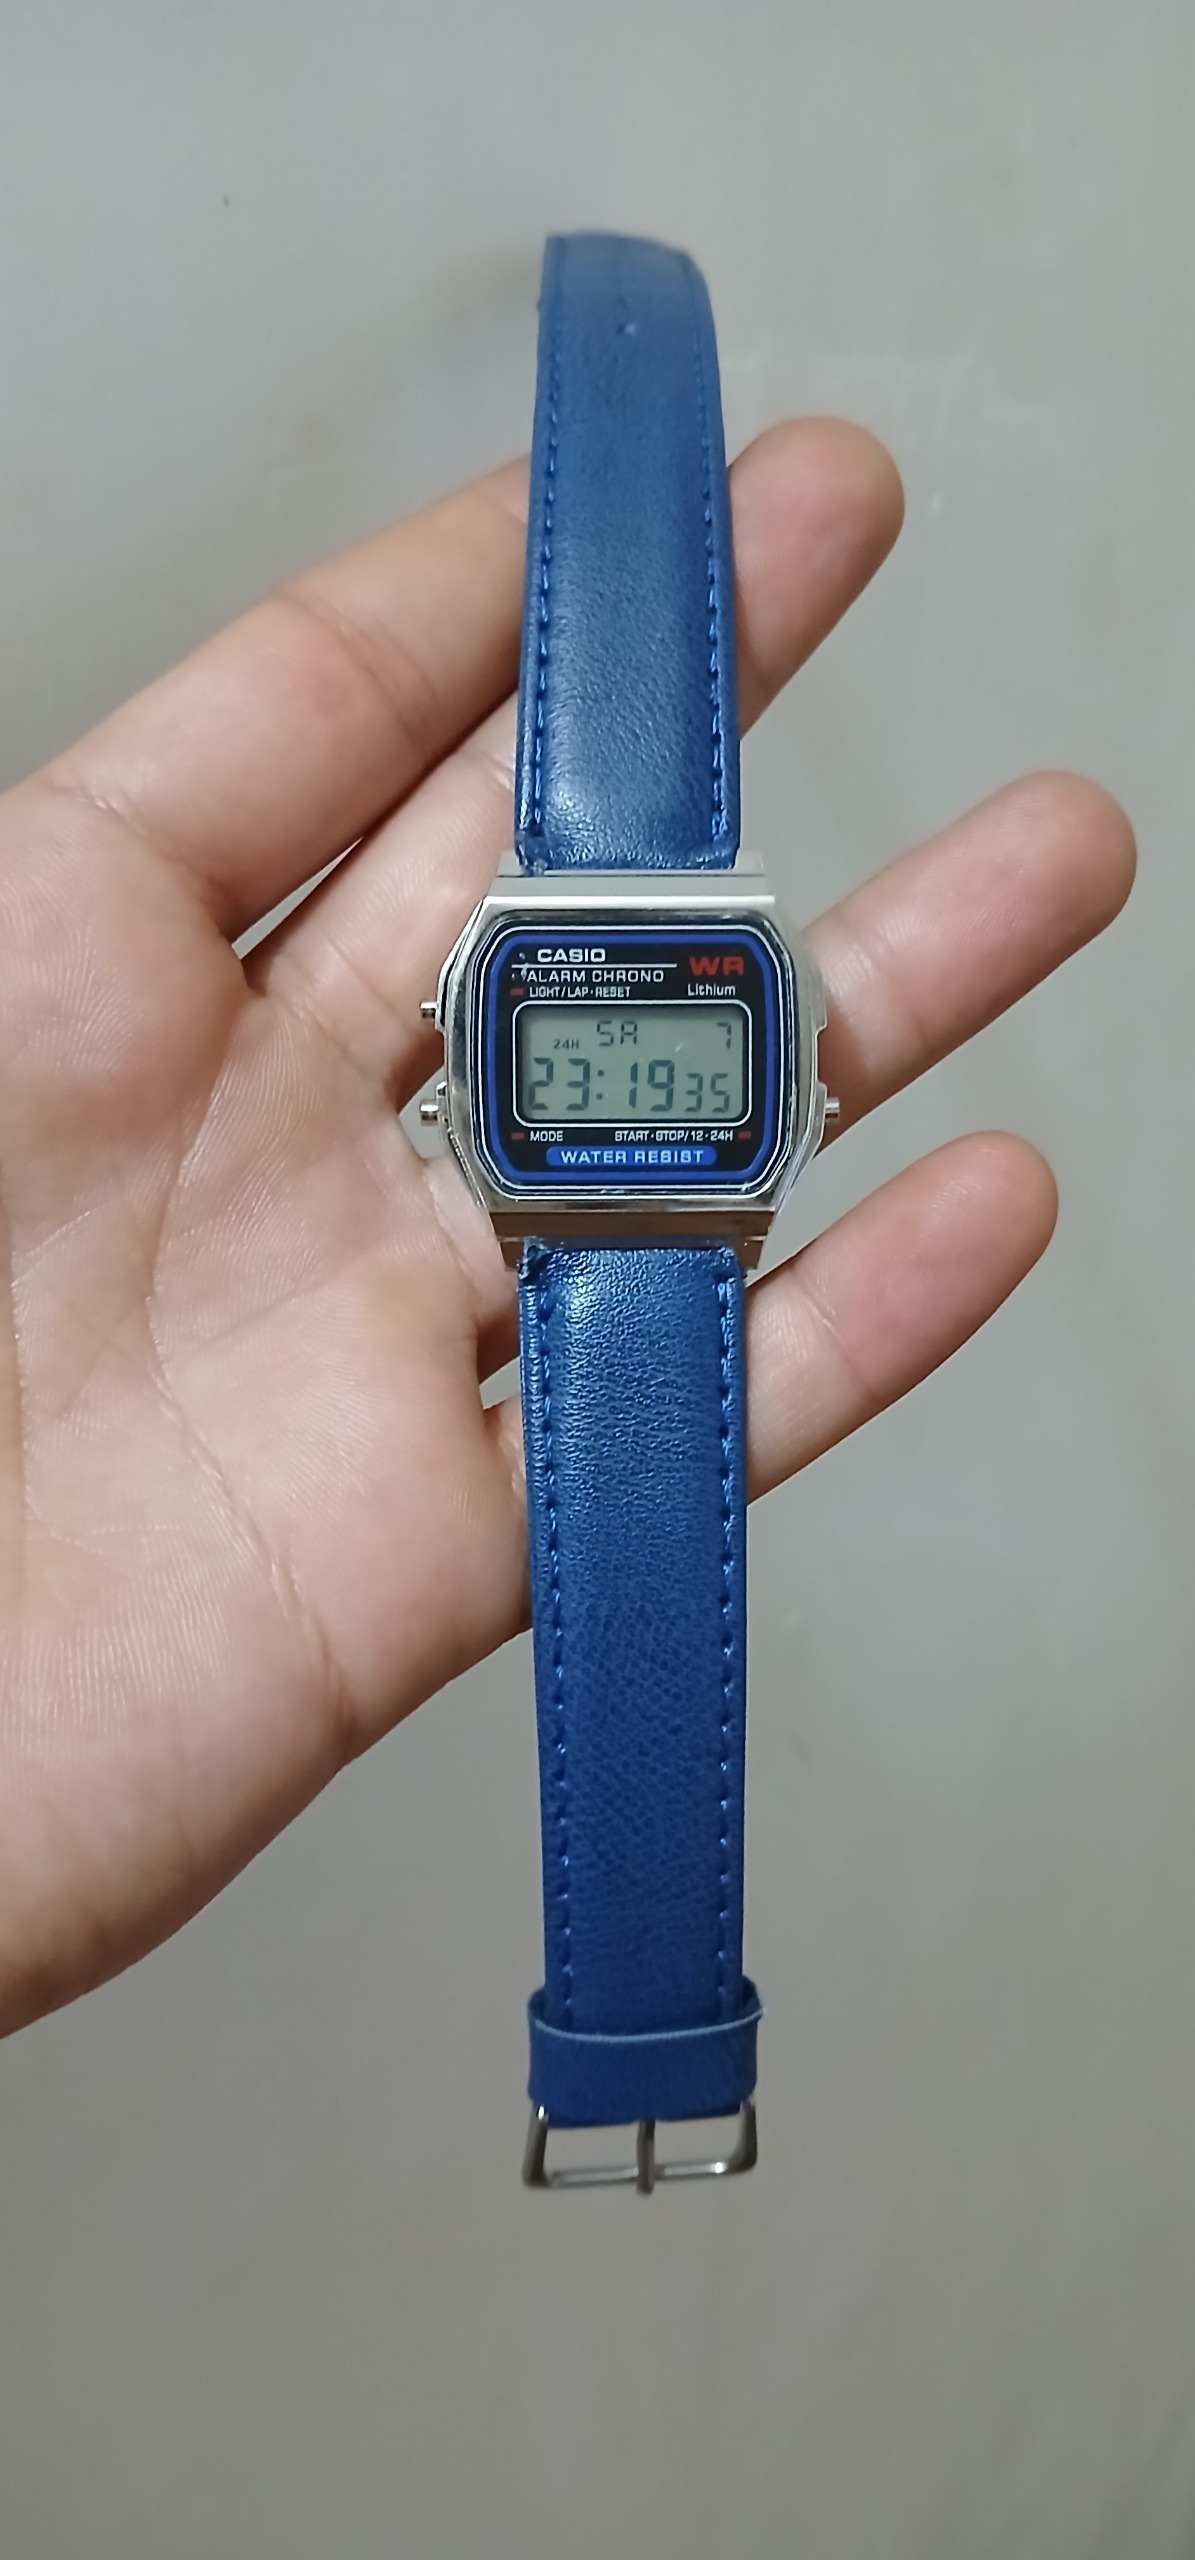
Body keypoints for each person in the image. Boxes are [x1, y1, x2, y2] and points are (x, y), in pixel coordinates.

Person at [0, 419, 1134, 2037]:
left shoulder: (601, 1048)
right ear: (470, 1040)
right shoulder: (603, 1045)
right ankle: (647, 2037)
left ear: (783, 1075)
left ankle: (647, 2038)